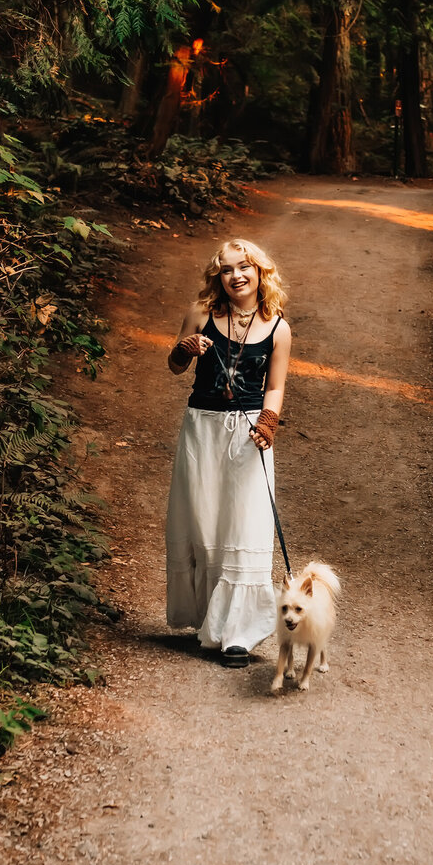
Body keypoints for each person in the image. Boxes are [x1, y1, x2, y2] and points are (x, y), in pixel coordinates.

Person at [165, 238, 292, 667]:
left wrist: (268, 424)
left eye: (244, 267)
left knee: (246, 524)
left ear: (260, 273)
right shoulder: (202, 313)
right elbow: (176, 366)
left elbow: (275, 387)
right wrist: (185, 348)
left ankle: (238, 633)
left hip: (250, 433)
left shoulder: (278, 326)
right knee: (204, 519)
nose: (236, 276)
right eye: (226, 269)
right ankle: (208, 621)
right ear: (217, 276)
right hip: (202, 427)